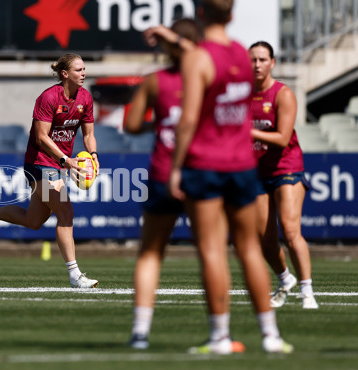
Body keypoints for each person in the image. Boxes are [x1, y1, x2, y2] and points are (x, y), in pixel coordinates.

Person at [168, 0, 293, 354]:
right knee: (250, 249)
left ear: (200, 13)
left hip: (207, 163)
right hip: (241, 165)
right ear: (232, 14)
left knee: (212, 251)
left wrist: (176, 167)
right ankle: (271, 336)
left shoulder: (198, 57)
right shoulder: (241, 55)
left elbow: (189, 119)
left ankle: (220, 337)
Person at [0, 53, 99, 289]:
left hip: (58, 164)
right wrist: (66, 159)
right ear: (65, 74)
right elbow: (41, 137)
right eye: (78, 70)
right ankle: (75, 275)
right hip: (39, 163)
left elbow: (88, 135)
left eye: (84, 69)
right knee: (65, 211)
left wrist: (94, 157)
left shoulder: (85, 97)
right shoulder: (48, 98)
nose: (83, 73)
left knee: (33, 221)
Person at [123, 20, 203, 349]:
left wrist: (161, 122)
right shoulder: (208, 77)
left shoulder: (154, 82)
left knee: (151, 253)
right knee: (211, 251)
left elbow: (130, 124)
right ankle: (220, 333)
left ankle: (140, 332)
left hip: (162, 170)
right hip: (201, 171)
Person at [249, 41, 318, 309]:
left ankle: (307, 291)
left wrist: (247, 132)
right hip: (257, 172)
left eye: (262, 59)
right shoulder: (242, 96)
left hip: (286, 168)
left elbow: (282, 138)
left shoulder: (282, 94)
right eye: (253, 60)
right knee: (263, 239)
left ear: (272, 63)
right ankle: (285, 279)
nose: (257, 65)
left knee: (290, 231)